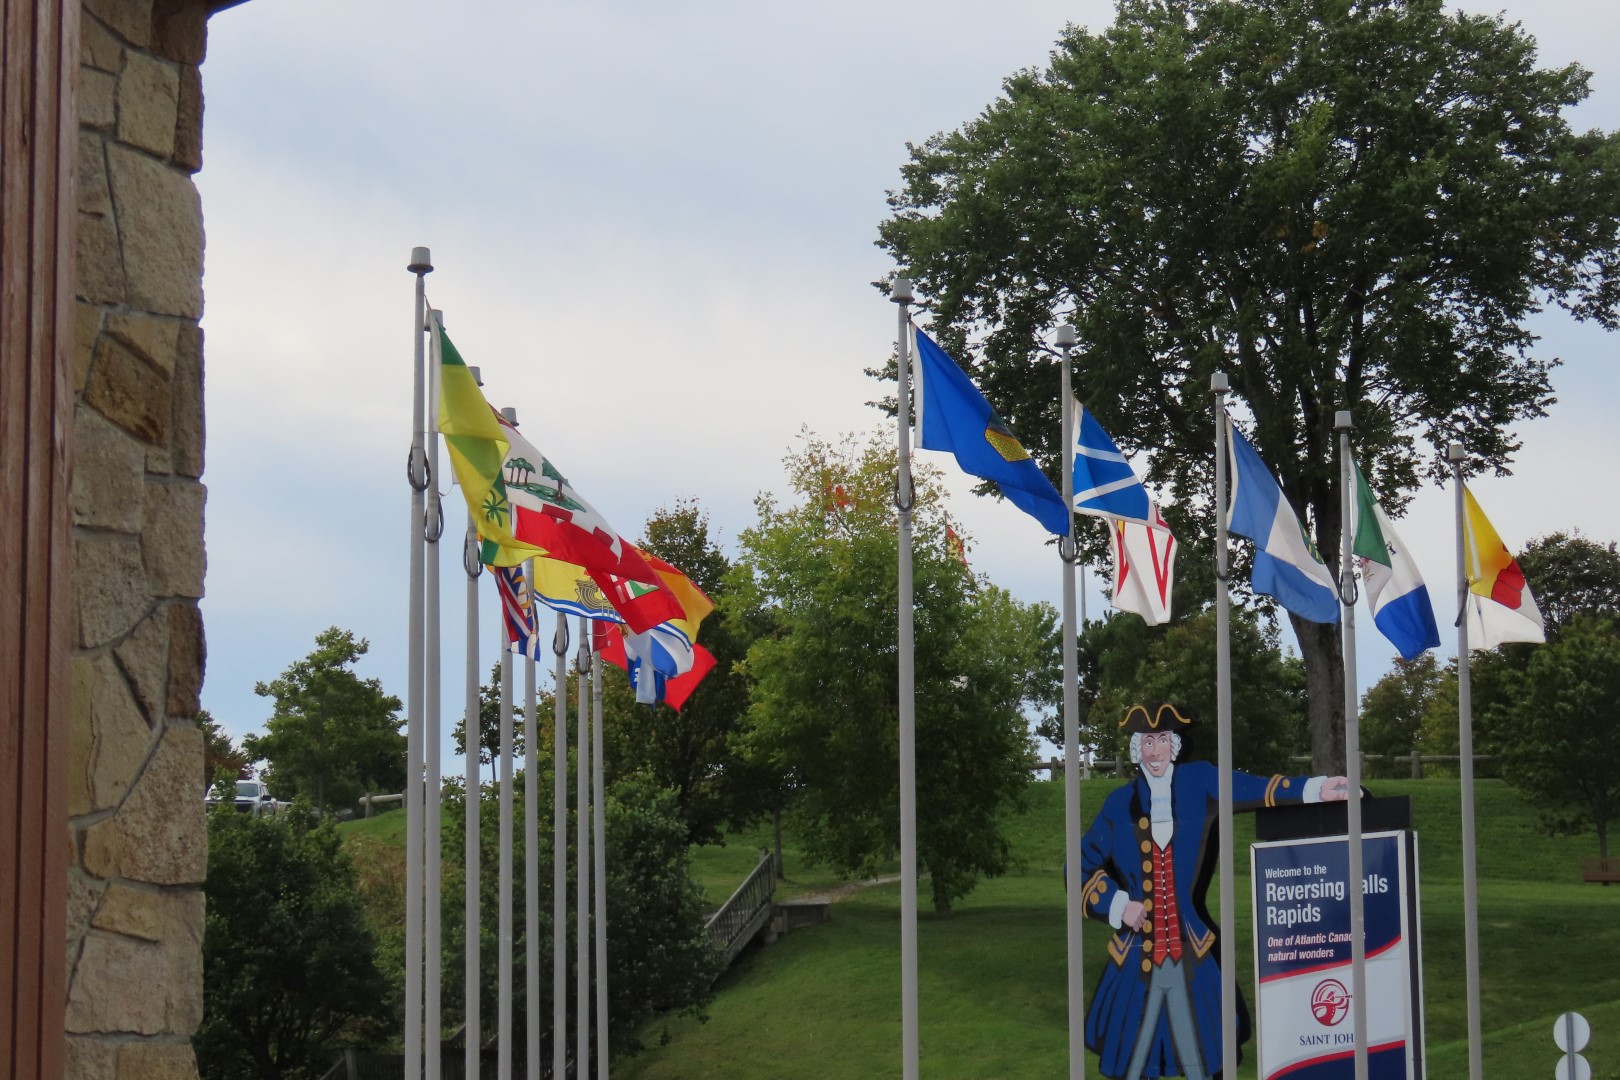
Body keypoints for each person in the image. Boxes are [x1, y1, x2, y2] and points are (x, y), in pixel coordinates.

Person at [1079, 702, 1349, 1079]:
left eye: (1161, 740)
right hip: (1136, 955)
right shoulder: (1118, 804)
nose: (1154, 751)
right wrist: (1118, 904)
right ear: (1136, 748)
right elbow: (1080, 866)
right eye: (1146, 742)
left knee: (1202, 1054)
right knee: (1133, 1058)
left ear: (1173, 744)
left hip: (1190, 949)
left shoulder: (1198, 782)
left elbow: (1253, 788)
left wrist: (1315, 788)